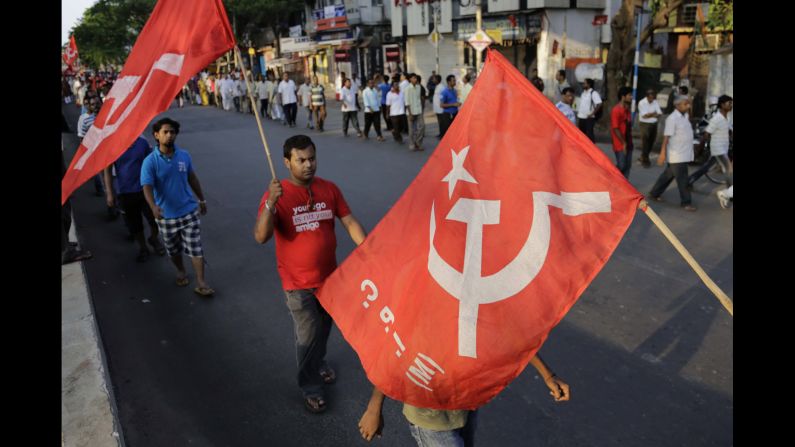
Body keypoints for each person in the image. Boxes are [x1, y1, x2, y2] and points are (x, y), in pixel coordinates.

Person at [253, 135, 366, 414]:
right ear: (286, 162)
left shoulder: (329, 189)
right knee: (308, 333)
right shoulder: (276, 195)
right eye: (301, 160)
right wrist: (271, 204)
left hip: (329, 279)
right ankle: (311, 386)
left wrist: (369, 250)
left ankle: (319, 361)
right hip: (298, 284)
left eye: (311, 158)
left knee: (324, 328)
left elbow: (349, 221)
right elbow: (261, 236)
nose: (308, 165)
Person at [358, 353, 570, 445]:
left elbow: (511, 333)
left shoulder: (475, 292)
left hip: (466, 405)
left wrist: (548, 375)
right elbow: (393, 355)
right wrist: (374, 407)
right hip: (430, 418)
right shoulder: (420, 295)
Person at [141, 118, 215, 295]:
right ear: (156, 135)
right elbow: (147, 187)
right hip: (166, 217)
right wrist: (153, 207)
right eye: (165, 132)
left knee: (195, 247)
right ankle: (180, 269)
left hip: (188, 212)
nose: (169, 135)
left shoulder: (184, 156)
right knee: (173, 249)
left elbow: (192, 178)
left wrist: (202, 200)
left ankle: (201, 282)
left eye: (172, 132)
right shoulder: (150, 162)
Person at [103, 136, 166, 262]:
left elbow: (154, 163)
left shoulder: (142, 143)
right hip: (125, 192)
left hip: (145, 190)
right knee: (135, 225)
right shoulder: (112, 146)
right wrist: (110, 193)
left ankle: (153, 239)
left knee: (156, 221)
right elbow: (107, 171)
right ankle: (143, 248)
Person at [648, 96, 697, 211]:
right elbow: (666, 137)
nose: (688, 106)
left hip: (684, 153)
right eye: (686, 104)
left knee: (668, 175)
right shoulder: (672, 118)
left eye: (688, 104)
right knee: (683, 179)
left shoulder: (685, 116)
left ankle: (654, 193)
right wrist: (662, 154)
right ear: (677, 105)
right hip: (677, 154)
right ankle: (686, 202)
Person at [687, 95, 733, 188]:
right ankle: (730, 193)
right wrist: (700, 148)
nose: (731, 105)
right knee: (728, 169)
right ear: (722, 105)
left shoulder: (726, 118)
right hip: (718, 148)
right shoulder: (716, 118)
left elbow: (728, 130)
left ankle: (689, 180)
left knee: (707, 167)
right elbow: (707, 133)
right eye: (729, 103)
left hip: (723, 148)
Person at [610, 86, 634, 179]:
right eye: (629, 95)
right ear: (623, 97)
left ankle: (624, 188)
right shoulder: (616, 110)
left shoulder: (627, 110)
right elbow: (615, 128)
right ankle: (612, 180)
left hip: (629, 143)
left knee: (627, 167)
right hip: (620, 144)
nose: (631, 97)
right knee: (621, 166)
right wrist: (624, 143)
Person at [637, 89, 663, 168]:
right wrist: (654, 114)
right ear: (647, 97)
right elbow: (644, 116)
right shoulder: (642, 103)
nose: (652, 99)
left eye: (653, 97)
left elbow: (659, 113)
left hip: (654, 123)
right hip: (644, 124)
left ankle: (643, 156)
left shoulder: (655, 102)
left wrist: (651, 114)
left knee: (652, 141)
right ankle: (645, 159)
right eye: (650, 98)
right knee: (645, 141)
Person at [577, 78, 602, 142]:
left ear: (589, 84)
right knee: (581, 135)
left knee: (589, 136)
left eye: (584, 83)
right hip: (581, 117)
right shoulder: (583, 93)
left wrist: (592, 114)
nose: (583, 84)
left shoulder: (593, 93)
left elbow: (599, 103)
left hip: (589, 118)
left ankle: (592, 150)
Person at [404, 73, 425, 151]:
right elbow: (407, 102)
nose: (415, 79)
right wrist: (410, 114)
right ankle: (412, 144)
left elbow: (419, 98)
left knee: (422, 127)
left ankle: (418, 142)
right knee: (411, 130)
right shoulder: (407, 89)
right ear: (410, 79)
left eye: (416, 78)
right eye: (413, 78)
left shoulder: (419, 87)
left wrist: (422, 108)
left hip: (419, 110)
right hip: (411, 112)